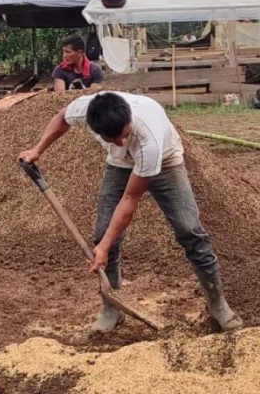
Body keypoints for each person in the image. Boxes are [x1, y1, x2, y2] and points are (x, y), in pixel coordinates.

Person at [19, 92, 243, 333]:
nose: (120, 143)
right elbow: (62, 117)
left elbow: (130, 199)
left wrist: (103, 248)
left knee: (189, 230)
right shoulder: (85, 110)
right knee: (103, 233)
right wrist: (37, 149)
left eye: (124, 136)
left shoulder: (149, 139)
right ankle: (112, 309)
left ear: (129, 121)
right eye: (111, 139)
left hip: (166, 162)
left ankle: (218, 305)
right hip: (120, 166)